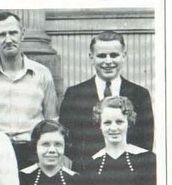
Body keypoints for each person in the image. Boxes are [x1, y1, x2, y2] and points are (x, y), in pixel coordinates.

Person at [60, 31, 154, 171]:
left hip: (128, 173)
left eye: (114, 55)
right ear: (91, 57)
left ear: (124, 56)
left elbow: (145, 139)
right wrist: (92, 164)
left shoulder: (140, 94)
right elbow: (66, 139)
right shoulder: (74, 94)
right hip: (87, 174)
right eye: (102, 56)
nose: (108, 61)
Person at [0, 11, 58, 170]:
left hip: (32, 152)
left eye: (13, 33)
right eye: (2, 34)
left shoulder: (42, 74)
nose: (8, 39)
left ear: (22, 34)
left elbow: (51, 120)